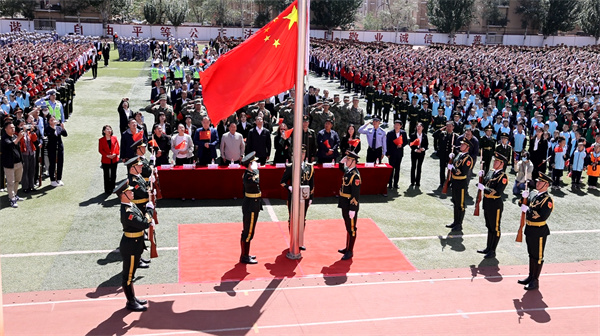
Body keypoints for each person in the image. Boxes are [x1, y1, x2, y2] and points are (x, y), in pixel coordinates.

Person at [114, 181, 153, 311]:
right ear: (123, 195)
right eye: (129, 191)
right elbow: (143, 224)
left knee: (131, 273)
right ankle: (130, 302)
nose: (132, 192)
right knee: (128, 275)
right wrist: (149, 211)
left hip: (135, 243)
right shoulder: (127, 211)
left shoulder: (130, 205)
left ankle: (133, 298)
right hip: (130, 245)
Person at [518, 172, 554, 290]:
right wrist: (523, 197)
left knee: (538, 256)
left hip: (539, 230)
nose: (538, 183)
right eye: (538, 181)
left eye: (541, 182)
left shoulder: (547, 200)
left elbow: (542, 216)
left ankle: (535, 280)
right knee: (531, 254)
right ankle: (530, 276)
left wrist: (527, 209)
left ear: (546, 185)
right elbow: (522, 204)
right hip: (530, 228)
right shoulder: (534, 194)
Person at [280, 145, 314, 250]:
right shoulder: (291, 166)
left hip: (304, 197)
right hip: (293, 197)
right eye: (300, 153)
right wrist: (289, 187)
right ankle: (292, 240)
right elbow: (282, 182)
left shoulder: (309, 166)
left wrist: (311, 197)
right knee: (293, 219)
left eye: (303, 153)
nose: (302, 155)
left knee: (302, 219)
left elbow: (311, 183)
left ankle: (300, 240)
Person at [476, 152, 509, 259]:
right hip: (487, 202)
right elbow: (484, 181)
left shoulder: (503, 177)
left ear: (502, 164)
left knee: (495, 228)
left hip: (495, 204)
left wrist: (483, 188)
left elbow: (497, 191)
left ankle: (493, 250)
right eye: (494, 161)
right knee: (489, 226)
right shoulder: (491, 172)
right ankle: (488, 247)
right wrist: (481, 176)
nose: (494, 162)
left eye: (497, 161)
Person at [337, 151, 361, 260]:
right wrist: (342, 161)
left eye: (349, 160)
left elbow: (355, 194)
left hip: (350, 205)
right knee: (347, 226)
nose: (347, 161)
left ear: (354, 161)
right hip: (344, 203)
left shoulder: (355, 176)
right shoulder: (348, 171)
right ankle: (347, 247)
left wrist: (353, 209)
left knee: (351, 228)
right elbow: (340, 167)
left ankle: (350, 250)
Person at [446, 139, 474, 231]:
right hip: (455, 182)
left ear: (467, 147)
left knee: (460, 204)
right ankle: (455, 221)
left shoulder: (468, 159)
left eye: (463, 145)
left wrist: (452, 168)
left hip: (461, 183)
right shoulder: (459, 155)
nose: (461, 146)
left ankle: (459, 224)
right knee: (455, 202)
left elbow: (461, 172)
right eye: (461, 144)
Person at [240, 152, 262, 264]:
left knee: (249, 231)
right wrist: (255, 171)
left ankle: (245, 254)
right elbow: (256, 181)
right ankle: (244, 256)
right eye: (254, 162)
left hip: (255, 204)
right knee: (248, 232)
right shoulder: (248, 176)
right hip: (251, 206)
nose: (256, 164)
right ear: (250, 164)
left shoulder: (251, 173)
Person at [2, 122, 24, 208]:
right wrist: (19, 137)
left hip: (18, 163)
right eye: (11, 128)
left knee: (17, 180)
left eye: (13, 127)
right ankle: (12, 199)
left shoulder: (14, 136)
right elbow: (10, 145)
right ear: (6, 129)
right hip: (9, 164)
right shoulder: (4, 139)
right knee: (10, 182)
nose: (13, 129)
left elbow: (18, 149)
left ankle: (14, 194)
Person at [433, 122, 459, 188]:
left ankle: (449, 182)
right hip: (443, 155)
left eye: (450, 126)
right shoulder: (442, 134)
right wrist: (441, 129)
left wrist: (454, 150)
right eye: (447, 126)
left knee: (450, 169)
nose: (448, 128)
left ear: (453, 127)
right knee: (442, 169)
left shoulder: (455, 136)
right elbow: (434, 135)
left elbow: (458, 146)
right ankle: (442, 182)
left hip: (451, 156)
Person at [45, 115, 67, 187]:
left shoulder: (58, 128)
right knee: (52, 164)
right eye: (51, 120)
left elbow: (65, 134)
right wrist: (54, 128)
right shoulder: (47, 129)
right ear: (49, 121)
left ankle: (59, 178)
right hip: (51, 148)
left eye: (54, 120)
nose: (53, 121)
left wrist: (63, 128)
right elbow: (50, 135)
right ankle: (53, 180)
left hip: (59, 148)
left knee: (60, 163)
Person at [386, 120, 408, 189]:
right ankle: (390, 183)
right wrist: (388, 153)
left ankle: (396, 184)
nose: (396, 126)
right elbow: (387, 143)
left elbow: (406, 141)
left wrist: (402, 145)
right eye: (395, 125)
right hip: (391, 154)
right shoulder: (390, 133)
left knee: (397, 169)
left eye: (398, 125)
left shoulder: (403, 133)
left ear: (401, 126)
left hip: (399, 154)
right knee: (391, 169)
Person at [98, 125, 120, 194]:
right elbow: (100, 150)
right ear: (104, 131)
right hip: (106, 160)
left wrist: (115, 154)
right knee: (106, 175)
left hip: (114, 159)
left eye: (110, 129)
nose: (109, 131)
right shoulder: (101, 140)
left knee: (113, 174)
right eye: (107, 129)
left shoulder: (114, 138)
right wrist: (107, 155)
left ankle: (113, 188)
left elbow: (117, 148)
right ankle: (107, 189)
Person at [409, 122, 429, 187]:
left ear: (422, 128)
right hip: (414, 153)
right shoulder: (412, 135)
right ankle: (412, 181)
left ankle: (418, 181)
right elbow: (411, 144)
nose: (419, 128)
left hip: (421, 154)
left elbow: (426, 145)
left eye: (420, 126)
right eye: (418, 126)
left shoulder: (425, 136)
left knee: (419, 167)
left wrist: (423, 149)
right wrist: (415, 149)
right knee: (413, 166)